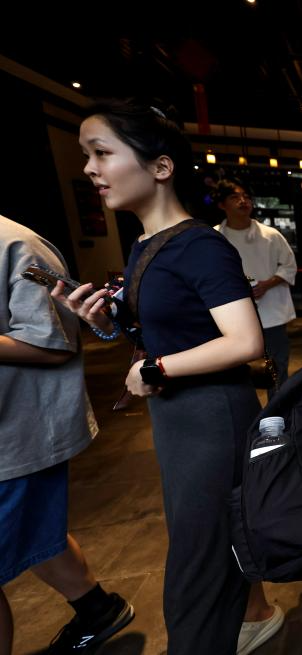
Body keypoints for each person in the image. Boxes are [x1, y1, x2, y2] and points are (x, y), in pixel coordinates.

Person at [52, 99, 280, 655]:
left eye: (101, 153)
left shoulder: (198, 245)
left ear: (160, 167)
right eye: (86, 155)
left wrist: (155, 368)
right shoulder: (146, 244)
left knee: (195, 575)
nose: (89, 169)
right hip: (180, 420)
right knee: (206, 551)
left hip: (211, 420)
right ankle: (250, 618)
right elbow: (166, 330)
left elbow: (244, 340)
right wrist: (103, 320)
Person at [0, 215, 133, 654]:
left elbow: (53, 344)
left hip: (17, 431)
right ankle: (98, 609)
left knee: (31, 527)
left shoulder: (16, 244)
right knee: (37, 532)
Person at [214, 179, 298, 388]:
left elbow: (289, 266)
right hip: (229, 316)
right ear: (222, 204)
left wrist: (268, 283)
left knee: (277, 368)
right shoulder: (214, 237)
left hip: (271, 313)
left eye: (246, 197)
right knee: (236, 370)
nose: (243, 201)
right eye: (234, 197)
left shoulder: (270, 235)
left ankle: (278, 405)